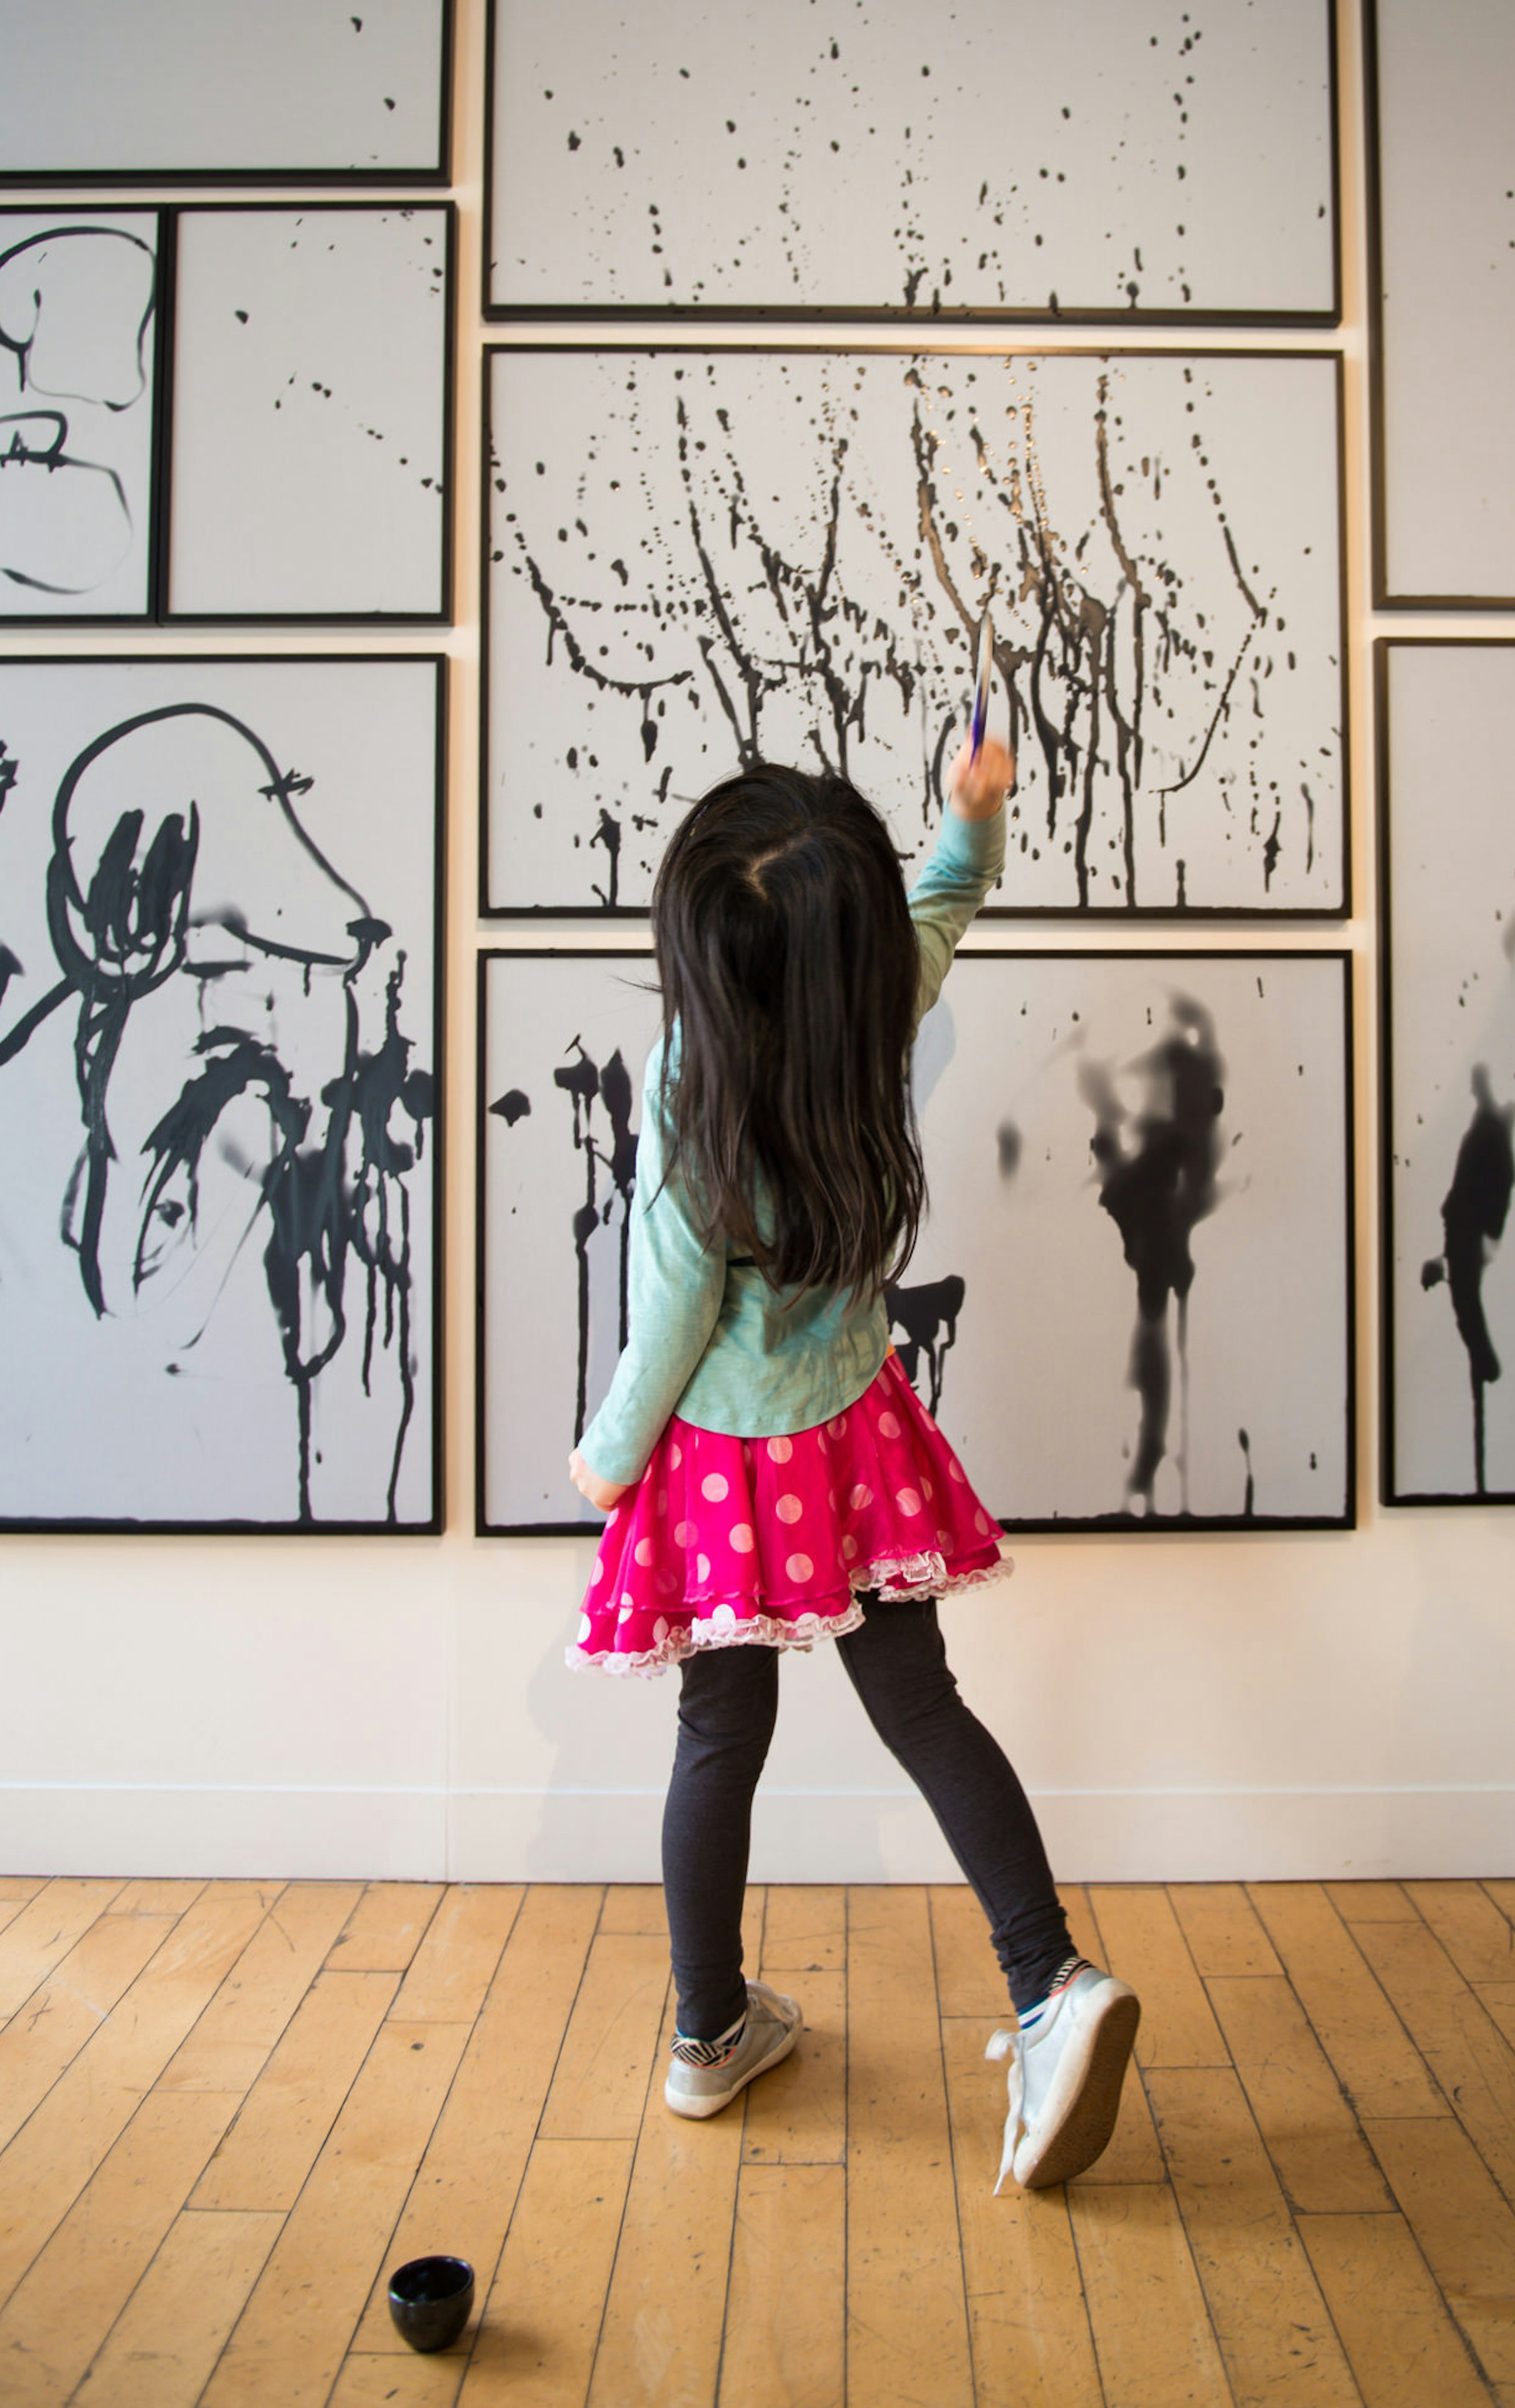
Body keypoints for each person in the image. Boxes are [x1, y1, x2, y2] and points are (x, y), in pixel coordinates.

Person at [566, 735, 1139, 2192]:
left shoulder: (689, 1076)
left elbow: (671, 1303)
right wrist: (973, 822)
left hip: (718, 1464)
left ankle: (708, 2035)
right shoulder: (866, 1011)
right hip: (853, 1436)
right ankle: (1047, 1981)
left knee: (717, 1737)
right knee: (926, 1711)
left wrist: (608, 1457)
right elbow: (941, 915)